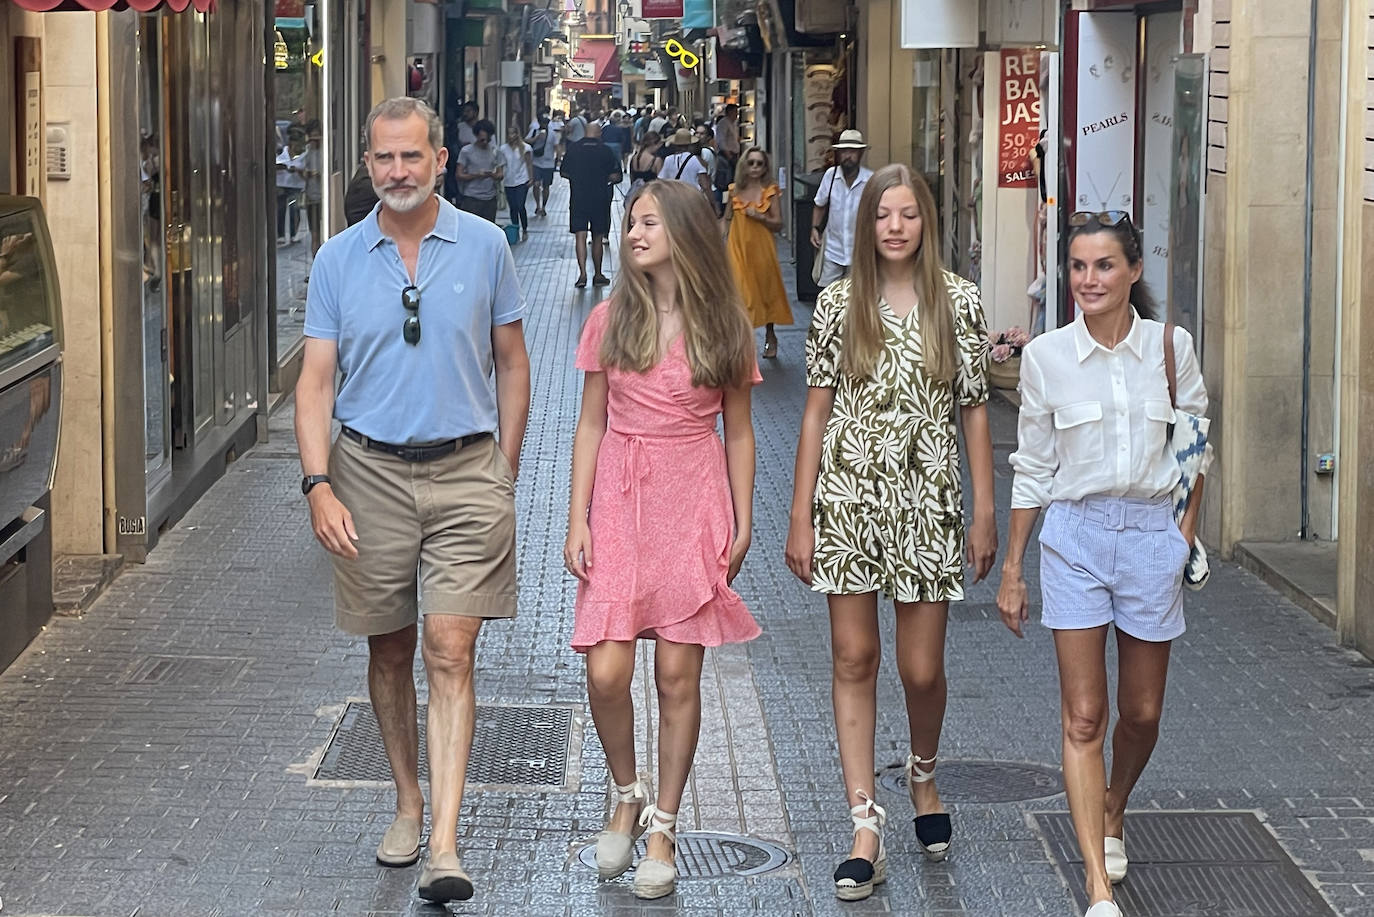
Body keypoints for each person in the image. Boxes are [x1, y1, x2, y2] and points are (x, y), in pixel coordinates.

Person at [295, 96, 530, 906]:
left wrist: (506, 465)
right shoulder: (336, 260)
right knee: (389, 649)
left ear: (441, 160)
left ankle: (444, 841)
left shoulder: (488, 245)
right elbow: (315, 380)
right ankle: (406, 799)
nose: (398, 171)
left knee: (449, 646)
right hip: (367, 472)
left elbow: (514, 361)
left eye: (412, 157)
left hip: (468, 471)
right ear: (368, 165)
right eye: (383, 159)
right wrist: (318, 482)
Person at [784, 164, 996, 902]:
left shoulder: (958, 302)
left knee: (921, 668)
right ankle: (864, 822)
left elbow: (974, 407)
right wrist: (800, 509)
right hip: (848, 492)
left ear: (924, 222)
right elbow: (814, 409)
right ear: (865, 224)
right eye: (883, 215)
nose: (895, 226)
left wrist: (985, 509)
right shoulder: (840, 303)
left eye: (907, 214)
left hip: (928, 496)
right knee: (853, 653)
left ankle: (924, 771)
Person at [996, 211, 1210, 917]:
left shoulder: (1171, 349)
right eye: (1079, 267)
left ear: (1133, 271)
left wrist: (1183, 533)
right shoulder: (1047, 357)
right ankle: (1095, 885)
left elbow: (1194, 450)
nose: (1089, 279)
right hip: (1077, 538)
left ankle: (1113, 804)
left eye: (1104, 266)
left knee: (1141, 712)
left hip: (1152, 535)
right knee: (1085, 715)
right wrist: (1014, 567)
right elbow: (1031, 467)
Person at [565, 178, 761, 901]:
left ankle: (664, 826)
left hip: (692, 494)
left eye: (647, 221)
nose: (633, 232)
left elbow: (738, 431)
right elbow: (589, 422)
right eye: (630, 222)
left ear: (682, 231)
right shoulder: (610, 317)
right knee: (607, 671)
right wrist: (576, 515)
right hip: (620, 493)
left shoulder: (724, 326)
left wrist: (742, 517)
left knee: (678, 676)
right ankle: (626, 788)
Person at [722, 147, 791, 359]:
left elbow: (778, 224)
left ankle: (770, 334)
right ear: (744, 164)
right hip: (737, 248)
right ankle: (742, 340)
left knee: (765, 293)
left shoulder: (770, 190)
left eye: (759, 163)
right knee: (740, 293)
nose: (754, 167)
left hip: (762, 250)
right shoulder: (733, 190)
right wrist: (721, 242)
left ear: (765, 167)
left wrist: (759, 217)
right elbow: (726, 218)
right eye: (751, 162)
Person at [561, 120, 622, 289]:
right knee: (597, 237)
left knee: (580, 236)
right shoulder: (605, 150)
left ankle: (582, 274)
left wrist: (577, 177)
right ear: (598, 133)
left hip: (578, 198)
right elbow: (616, 175)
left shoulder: (573, 148)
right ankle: (598, 274)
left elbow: (564, 172)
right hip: (599, 198)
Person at [810, 130, 873, 286]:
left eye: (852, 151)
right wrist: (814, 228)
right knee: (827, 296)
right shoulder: (830, 176)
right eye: (844, 151)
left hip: (860, 252)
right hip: (833, 249)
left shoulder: (870, 180)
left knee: (857, 299)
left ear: (861, 153)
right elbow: (820, 204)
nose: (848, 156)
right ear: (838, 153)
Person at [455, 120, 503, 223]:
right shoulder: (466, 151)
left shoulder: (495, 151)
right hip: (471, 198)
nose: (485, 142)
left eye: (487, 139)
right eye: (482, 140)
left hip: (490, 198)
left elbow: (500, 174)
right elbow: (459, 175)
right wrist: (475, 175)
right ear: (476, 136)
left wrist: (491, 175)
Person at [500, 125, 534, 240]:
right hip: (509, 181)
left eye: (513, 133)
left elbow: (529, 164)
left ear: (517, 134)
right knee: (513, 207)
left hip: (522, 180)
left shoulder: (525, 148)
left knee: (520, 205)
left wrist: (531, 178)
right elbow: (501, 164)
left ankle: (524, 229)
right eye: (509, 133)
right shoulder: (503, 149)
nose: (511, 136)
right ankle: (515, 228)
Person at [275, 129, 308, 245]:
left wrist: (297, 170)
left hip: (296, 185)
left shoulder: (303, 155)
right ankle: (280, 235)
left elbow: (306, 171)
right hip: (281, 184)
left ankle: (294, 234)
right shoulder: (281, 154)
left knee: (294, 209)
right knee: (280, 209)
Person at [657, 128, 712, 199]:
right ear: (689, 144)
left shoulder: (668, 159)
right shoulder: (695, 160)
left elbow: (661, 180)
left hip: (674, 198)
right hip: (692, 198)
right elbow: (705, 186)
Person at [527, 113, 557, 217]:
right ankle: (538, 206)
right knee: (536, 184)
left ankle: (544, 206)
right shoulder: (534, 131)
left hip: (548, 163)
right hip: (536, 162)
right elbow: (526, 141)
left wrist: (557, 158)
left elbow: (556, 145)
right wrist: (537, 138)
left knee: (546, 186)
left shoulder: (552, 134)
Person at [302, 121, 324, 255]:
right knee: (314, 234)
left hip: (323, 196)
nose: (314, 140)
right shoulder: (308, 152)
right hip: (312, 197)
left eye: (317, 136)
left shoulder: (325, 152)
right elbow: (303, 170)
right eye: (312, 137)